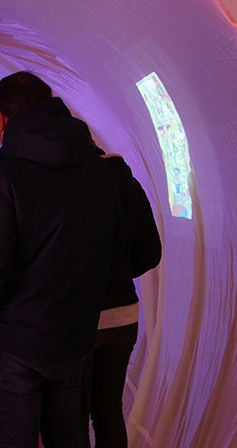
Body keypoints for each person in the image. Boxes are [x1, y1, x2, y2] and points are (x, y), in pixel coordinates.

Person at [0, 71, 122, 447]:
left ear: (2, 119)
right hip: (75, 339)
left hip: (14, 344)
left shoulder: (3, 180)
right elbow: (112, 253)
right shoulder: (99, 173)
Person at [81, 143, 162, 448]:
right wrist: (119, 274)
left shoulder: (76, 188)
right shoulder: (132, 186)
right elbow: (151, 253)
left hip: (84, 317)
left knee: (74, 415)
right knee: (109, 412)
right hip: (125, 314)